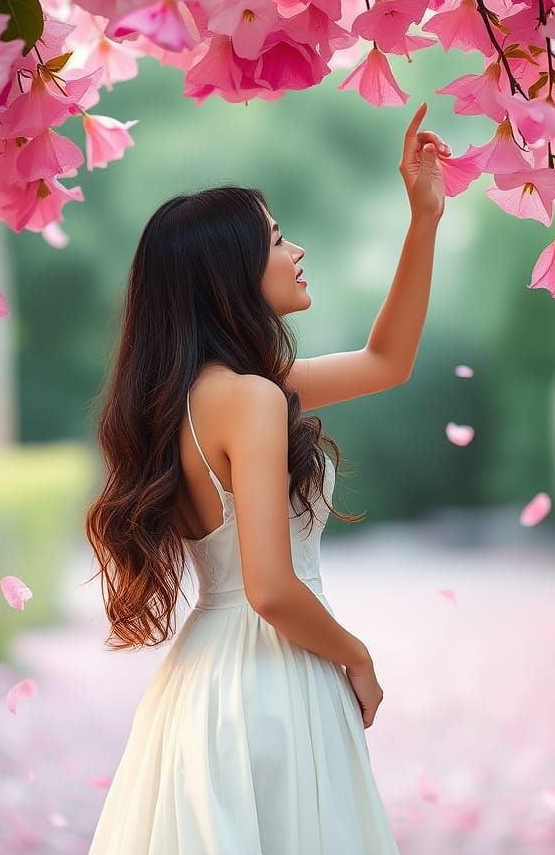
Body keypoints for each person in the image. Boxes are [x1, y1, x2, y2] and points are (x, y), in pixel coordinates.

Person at [85, 102, 449, 853]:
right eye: (279, 239)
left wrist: (425, 219)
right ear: (230, 272)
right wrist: (358, 656)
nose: (297, 250)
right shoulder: (251, 399)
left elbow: (387, 362)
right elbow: (272, 588)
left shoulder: (192, 399)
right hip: (272, 677)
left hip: (203, 682)